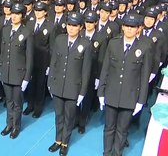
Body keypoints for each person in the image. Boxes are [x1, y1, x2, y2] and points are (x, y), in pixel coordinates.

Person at [97, 14, 151, 156]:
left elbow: (144, 77)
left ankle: (117, 153)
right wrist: (101, 92)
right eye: (127, 26)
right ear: (123, 27)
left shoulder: (144, 48)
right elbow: (106, 70)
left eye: (132, 27)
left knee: (122, 130)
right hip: (111, 93)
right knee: (109, 128)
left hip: (129, 96)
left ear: (138, 29)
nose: (129, 29)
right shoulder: (113, 44)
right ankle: (106, 152)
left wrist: (141, 100)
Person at [47, 12, 92, 156]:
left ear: (80, 27)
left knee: (69, 117)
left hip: (73, 88)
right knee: (58, 115)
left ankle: (65, 142)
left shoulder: (85, 44)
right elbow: (53, 62)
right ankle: (57, 140)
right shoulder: (60, 40)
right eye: (69, 25)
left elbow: (86, 71)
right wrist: (50, 82)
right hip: (58, 85)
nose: (71, 28)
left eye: (75, 26)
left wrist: (82, 92)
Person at [0, 3, 33, 139]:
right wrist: (1, 69)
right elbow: (3, 52)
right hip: (6, 72)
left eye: (17, 14)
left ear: (22, 16)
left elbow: (29, 58)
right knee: (9, 101)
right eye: (12, 13)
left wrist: (26, 78)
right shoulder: (6, 30)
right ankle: (8, 124)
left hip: (19, 74)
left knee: (17, 102)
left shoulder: (27, 33)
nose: (14, 16)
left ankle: (16, 126)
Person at [25, 2, 55, 118]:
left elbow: (52, 48)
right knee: (30, 84)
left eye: (40, 11)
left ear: (45, 12)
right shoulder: (29, 24)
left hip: (42, 61)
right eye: (36, 10)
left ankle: (38, 107)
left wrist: (49, 65)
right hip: (30, 59)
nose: (37, 13)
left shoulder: (50, 26)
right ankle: (30, 105)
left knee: (40, 85)